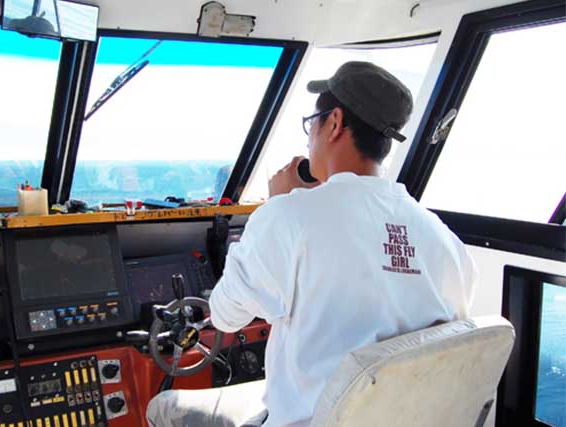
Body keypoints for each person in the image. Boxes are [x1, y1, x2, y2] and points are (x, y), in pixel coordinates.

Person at [146, 61, 476, 427]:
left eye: (311, 124)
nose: (308, 138)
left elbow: (225, 315)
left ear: (333, 122)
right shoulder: (446, 240)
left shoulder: (288, 216)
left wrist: (277, 205)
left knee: (161, 408)